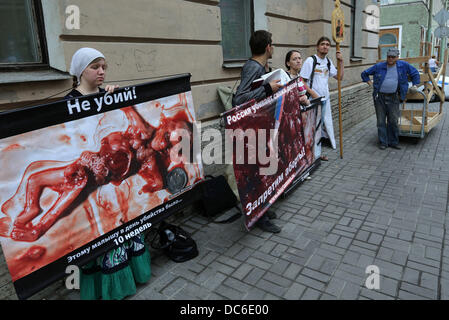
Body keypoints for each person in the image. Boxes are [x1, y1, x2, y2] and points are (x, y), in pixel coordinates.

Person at [66, 48, 152, 300]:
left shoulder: (109, 95)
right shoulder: (68, 102)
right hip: (92, 181)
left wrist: (116, 102)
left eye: (104, 66)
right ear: (82, 70)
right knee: (101, 232)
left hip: (118, 175)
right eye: (95, 67)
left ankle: (131, 276)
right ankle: (105, 287)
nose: (102, 71)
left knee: (124, 224)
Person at [361, 48, 420, 150]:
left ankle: (393, 142)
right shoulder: (379, 66)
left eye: (393, 57)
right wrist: (370, 84)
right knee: (380, 121)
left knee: (393, 120)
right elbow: (364, 73)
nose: (391, 59)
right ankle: (383, 142)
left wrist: (415, 85)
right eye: (389, 56)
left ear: (397, 57)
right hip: (380, 97)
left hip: (394, 97)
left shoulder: (403, 65)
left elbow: (415, 73)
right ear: (387, 56)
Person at [300, 36, 344, 162]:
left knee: (322, 125)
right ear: (317, 46)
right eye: (323, 44)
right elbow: (301, 80)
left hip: (325, 99)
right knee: (312, 127)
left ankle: (317, 154)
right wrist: (312, 93)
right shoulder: (311, 60)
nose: (325, 46)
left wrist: (341, 62)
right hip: (312, 100)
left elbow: (339, 77)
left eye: (327, 44)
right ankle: (310, 155)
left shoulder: (328, 62)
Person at [232, 30, 283, 108]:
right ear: (268, 48)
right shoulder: (253, 67)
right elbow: (239, 99)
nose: (273, 48)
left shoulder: (258, 65)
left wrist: (267, 72)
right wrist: (268, 88)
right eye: (272, 45)